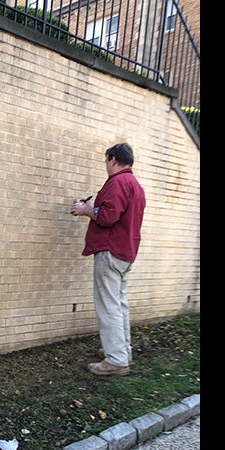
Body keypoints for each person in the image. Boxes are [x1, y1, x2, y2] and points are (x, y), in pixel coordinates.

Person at [69, 142, 146, 375]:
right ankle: (122, 352)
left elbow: (107, 216)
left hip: (110, 251)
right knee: (119, 304)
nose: (106, 165)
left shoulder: (118, 183)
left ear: (113, 159)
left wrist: (86, 209)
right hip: (126, 252)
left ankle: (116, 360)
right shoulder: (136, 185)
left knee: (108, 306)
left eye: (106, 160)